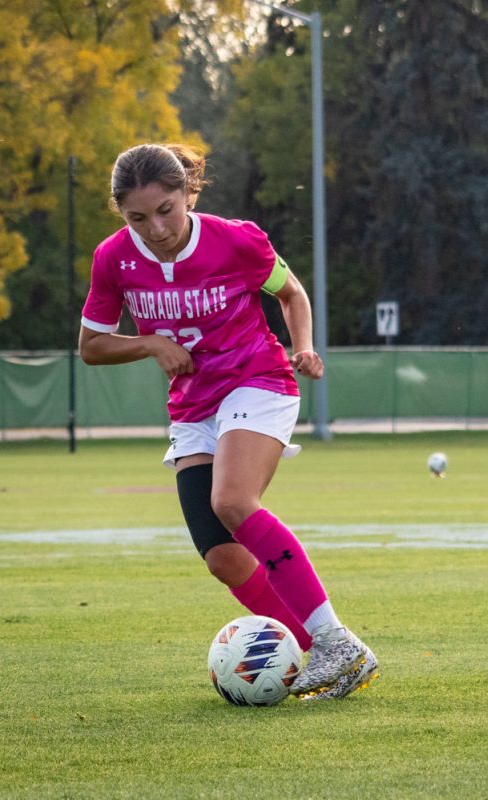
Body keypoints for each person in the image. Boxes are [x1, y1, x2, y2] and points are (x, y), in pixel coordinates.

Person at [79, 143, 377, 701]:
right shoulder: (113, 258)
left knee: (232, 502)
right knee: (223, 556)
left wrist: (304, 346)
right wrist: (150, 343)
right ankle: (328, 658)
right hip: (193, 406)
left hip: (258, 378)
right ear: (121, 213)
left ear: (188, 192)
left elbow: (291, 294)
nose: (156, 228)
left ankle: (334, 642)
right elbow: (91, 346)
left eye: (166, 209)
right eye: (137, 218)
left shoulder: (236, 239)